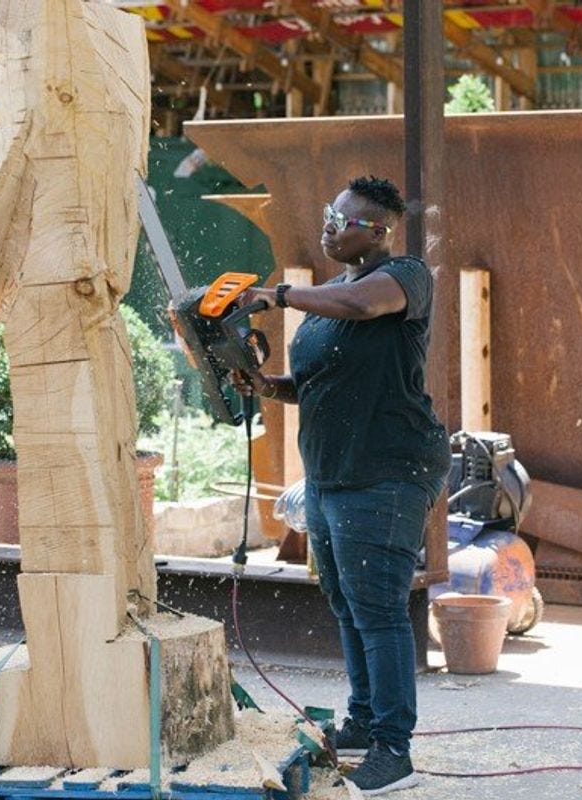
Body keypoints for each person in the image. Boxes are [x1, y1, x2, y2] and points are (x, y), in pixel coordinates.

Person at [234, 175, 450, 796]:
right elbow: (313, 382)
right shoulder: (332, 293)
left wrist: (277, 294)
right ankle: (362, 721)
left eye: (344, 219)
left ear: (377, 232)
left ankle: (393, 749)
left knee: (380, 609)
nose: (330, 225)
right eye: (329, 213)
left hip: (387, 471)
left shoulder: (405, 276)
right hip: (331, 474)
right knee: (347, 605)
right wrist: (264, 385)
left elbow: (362, 307)